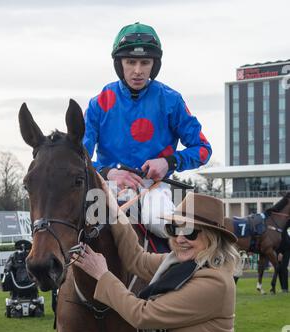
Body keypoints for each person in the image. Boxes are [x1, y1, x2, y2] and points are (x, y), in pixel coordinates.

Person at [72, 184, 259, 332]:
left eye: (190, 231)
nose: (180, 238)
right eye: (174, 228)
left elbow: (143, 315)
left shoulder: (214, 282)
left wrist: (103, 275)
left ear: (213, 238)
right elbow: (137, 259)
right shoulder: (181, 265)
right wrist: (114, 209)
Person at [83, 22, 212, 238]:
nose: (137, 70)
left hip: (155, 187)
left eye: (145, 62)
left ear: (154, 65)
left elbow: (203, 149)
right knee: (81, 228)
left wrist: (168, 162)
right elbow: (80, 157)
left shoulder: (171, 100)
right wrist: (108, 172)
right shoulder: (99, 103)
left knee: (171, 229)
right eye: (130, 61)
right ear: (119, 63)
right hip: (106, 186)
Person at [277, 220, 290, 293]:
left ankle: (285, 288)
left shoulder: (283, 227)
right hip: (279, 250)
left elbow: (284, 241)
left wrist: (280, 252)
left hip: (286, 249)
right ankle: (283, 288)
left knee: (283, 268)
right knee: (279, 268)